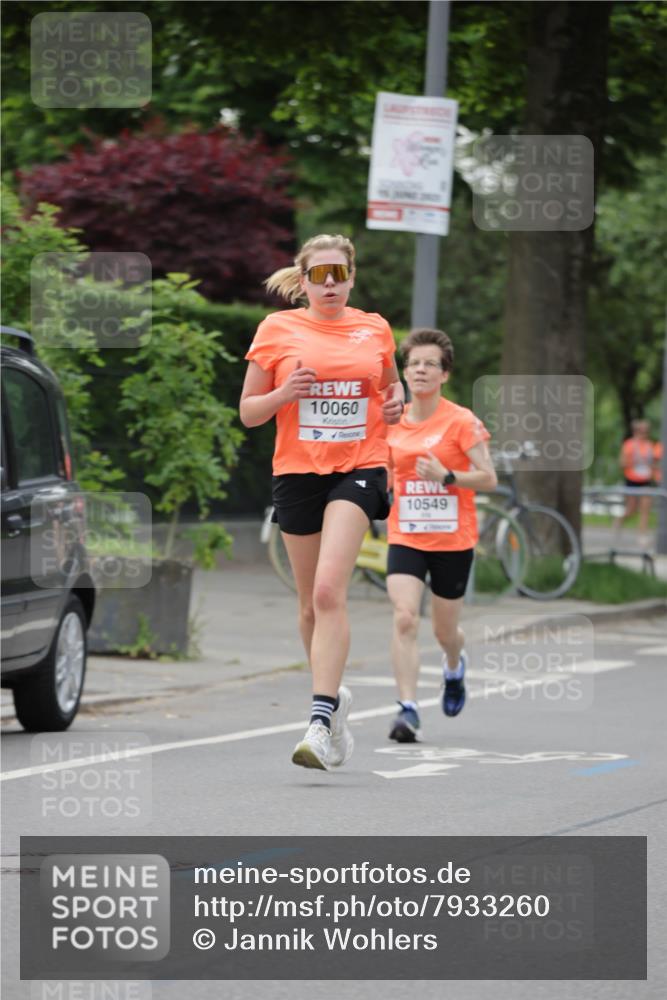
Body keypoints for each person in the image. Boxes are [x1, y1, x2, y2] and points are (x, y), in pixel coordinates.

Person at [239, 234, 404, 770]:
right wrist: (284, 394)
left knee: (331, 590)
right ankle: (333, 703)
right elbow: (249, 412)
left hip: (360, 467)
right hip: (297, 471)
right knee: (310, 604)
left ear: (352, 277)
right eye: (318, 275)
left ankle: (318, 720)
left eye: (338, 274)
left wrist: (396, 403)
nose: (329, 284)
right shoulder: (276, 329)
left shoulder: (374, 328)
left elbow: (392, 388)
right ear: (304, 280)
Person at [384, 328, 497, 743]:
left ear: (444, 374)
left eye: (430, 364)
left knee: (444, 633)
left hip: (452, 541)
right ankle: (408, 709)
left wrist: (447, 476)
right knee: (404, 616)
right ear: (405, 372)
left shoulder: (461, 422)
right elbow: (386, 473)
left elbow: (488, 478)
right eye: (414, 364)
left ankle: (454, 665)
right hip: (406, 536)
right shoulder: (392, 422)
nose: (421, 370)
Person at [614, 419, 656, 549]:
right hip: (631, 481)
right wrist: (635, 461)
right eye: (642, 431)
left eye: (647, 431)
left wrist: (654, 470)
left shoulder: (650, 445)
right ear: (636, 431)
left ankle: (642, 536)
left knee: (645, 509)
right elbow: (622, 463)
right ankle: (619, 520)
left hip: (645, 481)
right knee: (631, 510)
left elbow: (654, 463)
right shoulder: (629, 445)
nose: (645, 433)